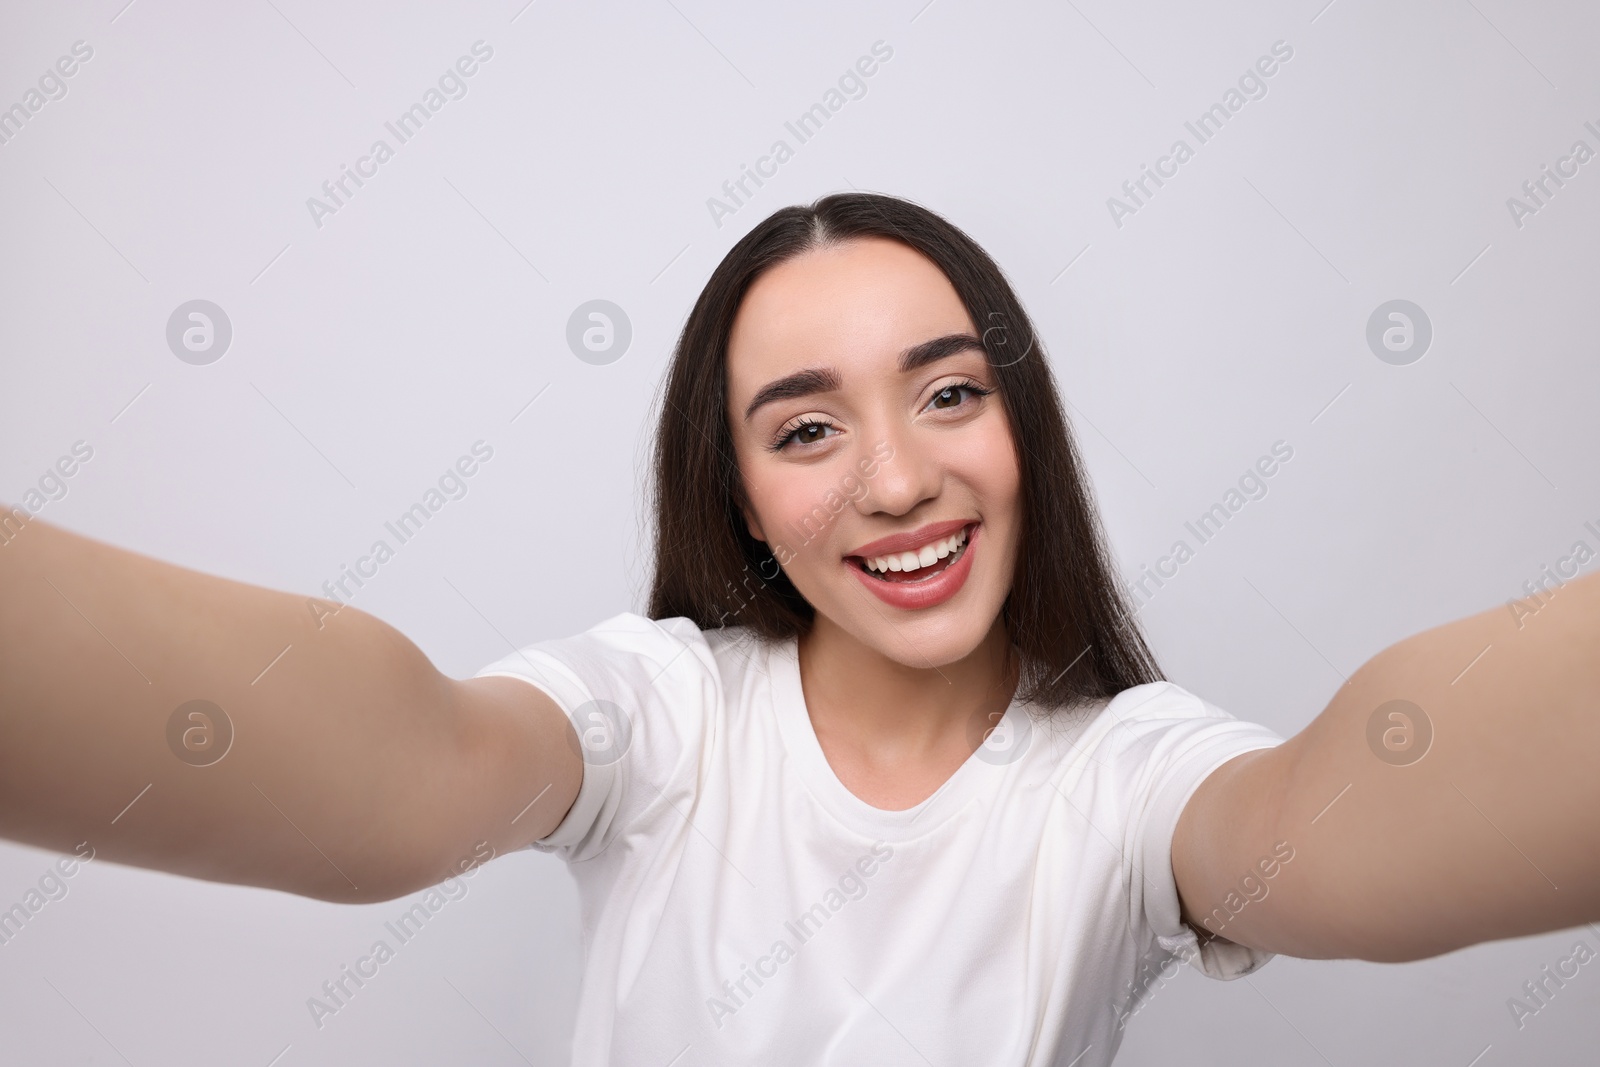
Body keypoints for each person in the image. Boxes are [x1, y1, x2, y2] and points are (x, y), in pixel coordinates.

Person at [0, 193, 1595, 1066]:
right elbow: (405, 764)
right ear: (745, 499)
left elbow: (1333, 828)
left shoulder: (1123, 779)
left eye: (952, 393)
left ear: (1025, 429)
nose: (900, 479)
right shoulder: (664, 713)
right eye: (808, 429)